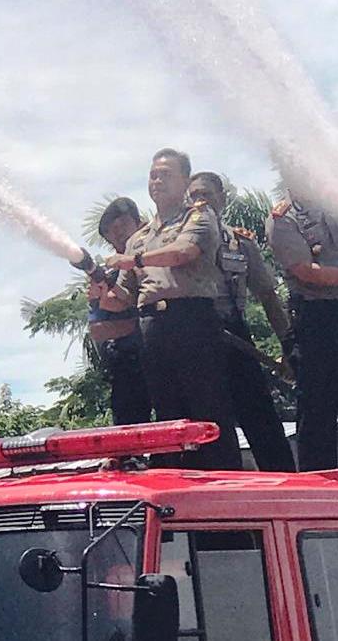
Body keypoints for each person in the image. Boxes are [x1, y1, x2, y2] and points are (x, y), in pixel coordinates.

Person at [107, 148, 241, 470]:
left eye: (165, 174)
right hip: (153, 326)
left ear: (184, 181)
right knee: (168, 411)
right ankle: (180, 484)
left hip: (192, 319)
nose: (157, 181)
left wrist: (135, 260)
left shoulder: (198, 216)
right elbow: (123, 295)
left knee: (208, 408)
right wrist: (103, 292)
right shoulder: (138, 238)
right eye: (153, 174)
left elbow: (184, 252)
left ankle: (224, 483)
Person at [187, 172, 296, 471]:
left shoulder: (241, 244)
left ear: (222, 198)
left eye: (206, 194)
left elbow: (268, 296)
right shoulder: (176, 244)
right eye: (194, 195)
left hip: (234, 336)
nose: (200, 201)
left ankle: (285, 485)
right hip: (192, 340)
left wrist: (289, 347)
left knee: (262, 419)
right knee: (208, 426)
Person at [266, 189, 338, 470]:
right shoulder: (284, 217)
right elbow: (306, 271)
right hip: (317, 320)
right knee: (318, 411)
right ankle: (320, 485)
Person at [88, 197, 153, 426]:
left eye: (122, 226)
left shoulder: (161, 256)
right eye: (111, 233)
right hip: (129, 364)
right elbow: (98, 330)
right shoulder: (108, 277)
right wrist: (144, 326)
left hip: (169, 355)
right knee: (129, 430)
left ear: (140, 223)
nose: (118, 235)